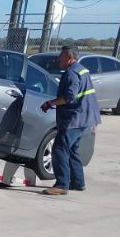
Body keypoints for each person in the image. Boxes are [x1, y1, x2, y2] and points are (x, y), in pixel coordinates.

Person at [39, 45, 100, 195]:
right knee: (72, 150)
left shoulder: (71, 73)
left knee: (59, 149)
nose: (58, 58)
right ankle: (78, 182)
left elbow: (68, 97)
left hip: (74, 119)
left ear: (69, 57)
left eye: (61, 56)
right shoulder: (82, 70)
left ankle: (61, 185)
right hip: (85, 117)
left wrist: (50, 103)